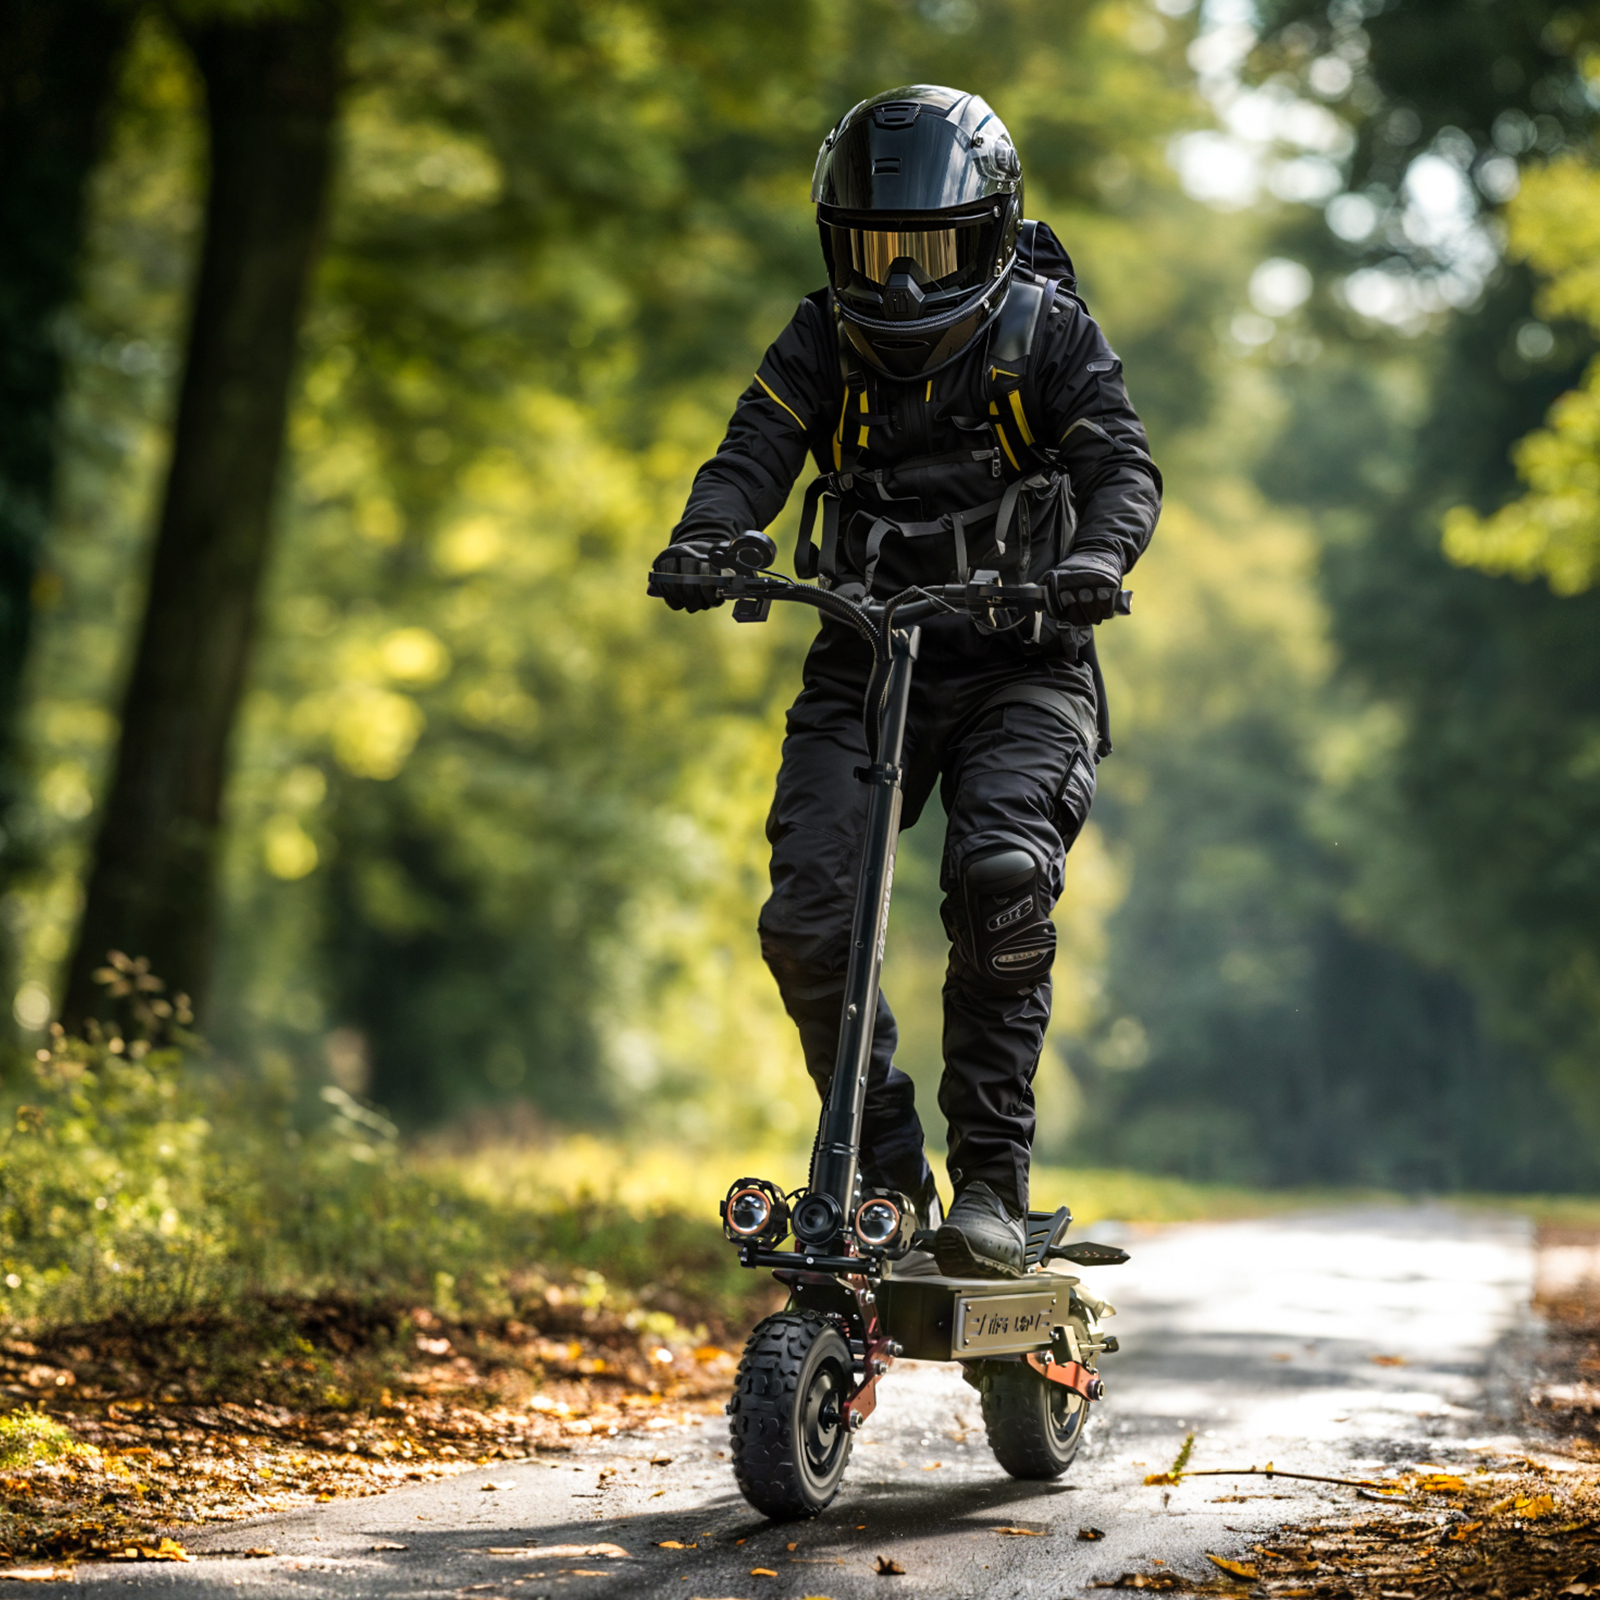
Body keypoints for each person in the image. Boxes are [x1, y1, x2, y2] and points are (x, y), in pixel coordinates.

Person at [651, 85, 1161, 1278]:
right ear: (837, 244)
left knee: (1000, 873)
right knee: (809, 917)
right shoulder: (819, 339)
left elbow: (1122, 469)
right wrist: (706, 537)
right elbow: (749, 454)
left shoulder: (1047, 335)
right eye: (874, 252)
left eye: (929, 252)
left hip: (1025, 662)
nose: (899, 285)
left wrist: (1091, 560)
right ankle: (882, 1164)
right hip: (867, 652)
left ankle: (991, 1181)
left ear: (987, 234)